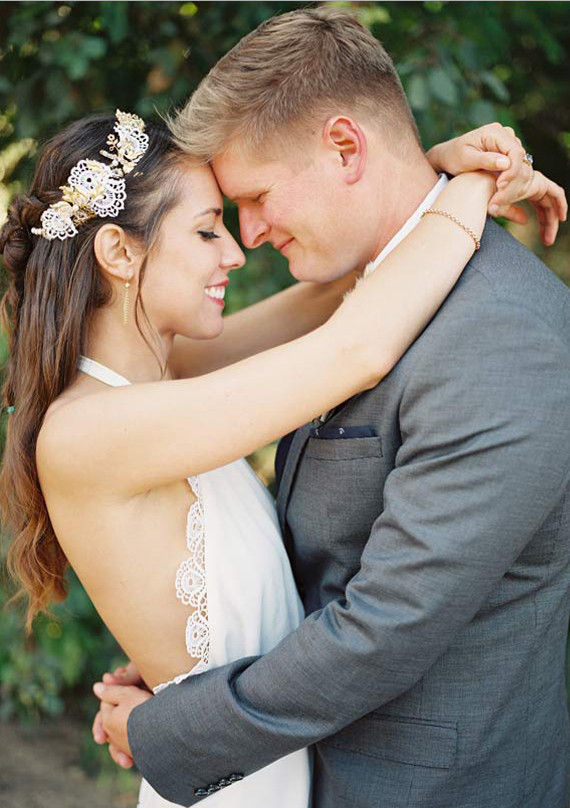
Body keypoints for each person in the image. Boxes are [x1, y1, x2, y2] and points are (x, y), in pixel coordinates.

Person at [91, 8, 570, 808]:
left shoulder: (502, 336)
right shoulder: (365, 298)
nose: (248, 235)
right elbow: (329, 559)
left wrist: (171, 729)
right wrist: (216, 648)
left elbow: (383, 629)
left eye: (256, 197)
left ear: (346, 148)